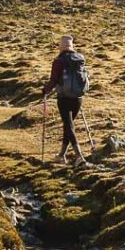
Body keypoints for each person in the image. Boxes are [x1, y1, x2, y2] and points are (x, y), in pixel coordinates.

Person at [43, 35, 89, 166]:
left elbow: (53, 81)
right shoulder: (80, 58)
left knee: (69, 126)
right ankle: (61, 155)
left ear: (61, 47)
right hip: (78, 98)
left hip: (64, 98)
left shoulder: (59, 61)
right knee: (68, 126)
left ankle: (79, 156)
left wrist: (45, 90)